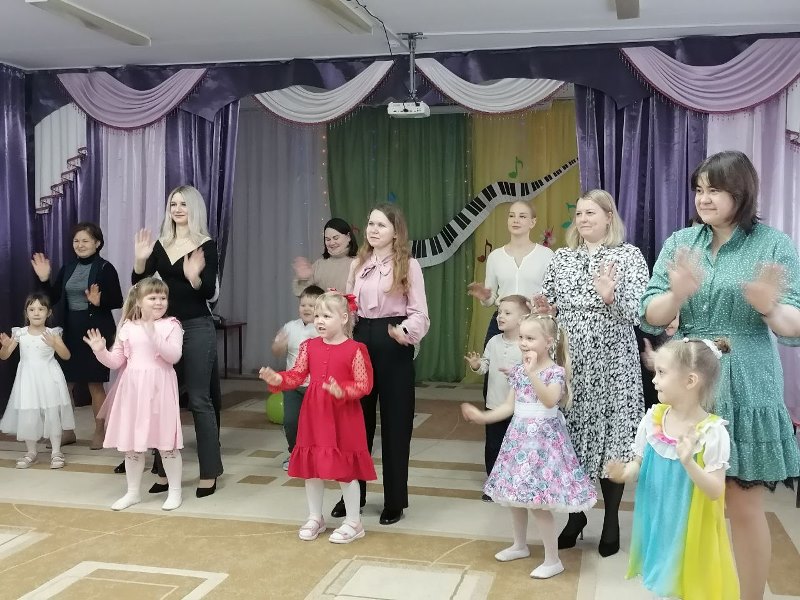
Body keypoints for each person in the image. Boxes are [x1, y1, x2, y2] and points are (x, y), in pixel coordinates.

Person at [640, 150, 800, 600]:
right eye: (699, 189)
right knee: (686, 500)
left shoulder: (773, 245)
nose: (703, 199)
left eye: (714, 190)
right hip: (690, 382)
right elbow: (650, 314)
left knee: (743, 505)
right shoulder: (681, 242)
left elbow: (794, 324)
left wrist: (769, 306)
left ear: (741, 193)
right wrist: (676, 295)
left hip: (747, 380)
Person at [532, 189, 649, 557]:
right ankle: (576, 515)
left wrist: (611, 297)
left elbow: (641, 313)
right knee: (573, 437)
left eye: (590, 213)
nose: (582, 219)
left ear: (609, 217)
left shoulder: (629, 256)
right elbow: (548, 304)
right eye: (579, 213)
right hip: (572, 363)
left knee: (613, 439)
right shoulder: (562, 257)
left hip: (615, 364)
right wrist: (544, 309)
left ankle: (611, 519)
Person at [461, 314, 596, 580]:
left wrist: (532, 373)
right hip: (519, 441)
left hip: (543, 444)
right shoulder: (519, 370)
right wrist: (483, 417)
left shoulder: (554, 372)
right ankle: (519, 545)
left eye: (530, 338)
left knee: (538, 504)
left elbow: (549, 400)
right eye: (521, 337)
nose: (523, 343)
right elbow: (509, 407)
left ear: (548, 342)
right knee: (516, 499)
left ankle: (553, 559)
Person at [607, 337, 738, 600]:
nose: (654, 380)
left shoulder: (712, 433)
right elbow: (639, 463)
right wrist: (625, 474)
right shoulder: (653, 420)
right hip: (660, 523)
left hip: (690, 528)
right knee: (664, 584)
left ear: (690, 381)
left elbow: (715, 491)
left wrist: (689, 462)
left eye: (662, 373)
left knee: (688, 585)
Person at [330, 203, 429, 525]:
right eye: (371, 224)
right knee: (356, 425)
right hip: (360, 343)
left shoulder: (409, 265)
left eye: (381, 225)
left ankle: (394, 500)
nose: (373, 230)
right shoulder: (358, 264)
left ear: (395, 231)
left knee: (396, 426)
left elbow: (420, 313)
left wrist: (405, 332)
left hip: (393, 343)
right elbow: (350, 308)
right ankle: (352, 495)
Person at [259, 291, 375, 543]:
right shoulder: (308, 346)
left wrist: (342, 390)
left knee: (345, 470)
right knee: (312, 469)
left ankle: (354, 522)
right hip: (315, 413)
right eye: (317, 315)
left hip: (344, 416)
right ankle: (315, 517)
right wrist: (278, 378)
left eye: (326, 316)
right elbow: (297, 375)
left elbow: (364, 384)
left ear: (344, 318)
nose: (319, 320)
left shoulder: (356, 349)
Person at [133, 184, 223, 498]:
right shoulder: (161, 244)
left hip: (197, 326)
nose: (178, 209)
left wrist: (194, 276)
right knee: (163, 399)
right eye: (173, 204)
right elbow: (140, 286)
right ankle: (162, 470)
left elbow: (208, 291)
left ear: (193, 208)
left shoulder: (205, 245)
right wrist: (140, 261)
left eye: (183, 204)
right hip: (165, 328)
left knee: (199, 399)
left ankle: (209, 472)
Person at [84, 278, 184, 512]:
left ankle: (175, 491)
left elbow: (174, 356)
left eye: (163, 298)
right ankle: (132, 492)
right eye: (152, 298)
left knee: (167, 444)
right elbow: (116, 361)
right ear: (139, 301)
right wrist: (100, 351)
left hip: (160, 391)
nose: (159, 302)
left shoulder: (172, 325)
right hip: (133, 391)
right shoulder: (128, 327)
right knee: (133, 445)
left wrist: (153, 334)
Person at [31, 223, 123, 449]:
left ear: (97, 243)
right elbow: (52, 298)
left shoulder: (105, 268)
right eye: (76, 241)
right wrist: (44, 279)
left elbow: (118, 300)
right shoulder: (68, 267)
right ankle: (67, 432)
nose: (80, 245)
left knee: (94, 384)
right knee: (65, 384)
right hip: (70, 331)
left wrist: (99, 301)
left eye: (85, 241)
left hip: (95, 333)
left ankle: (100, 431)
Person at [467, 201, 554, 399]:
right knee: (495, 377)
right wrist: (486, 297)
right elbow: (490, 299)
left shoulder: (547, 255)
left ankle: (528, 418)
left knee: (534, 378)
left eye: (522, 216)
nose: (516, 220)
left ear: (533, 222)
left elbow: (551, 295)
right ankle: (495, 416)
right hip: (502, 323)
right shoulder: (495, 256)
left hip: (534, 325)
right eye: (512, 215)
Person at [0, 293, 74, 469]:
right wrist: (4, 346)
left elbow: (66, 355)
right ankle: (31, 452)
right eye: (32, 309)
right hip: (27, 379)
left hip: (49, 377)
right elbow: (5, 356)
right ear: (26, 312)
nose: (36, 312)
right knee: (29, 414)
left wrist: (54, 344)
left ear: (48, 313)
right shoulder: (20, 333)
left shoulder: (53, 333)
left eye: (41, 309)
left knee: (52, 413)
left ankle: (56, 451)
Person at [464, 294, 527, 496]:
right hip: (494, 404)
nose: (500, 316)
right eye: (499, 312)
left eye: (507, 313)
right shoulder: (493, 342)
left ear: (522, 319)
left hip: (519, 408)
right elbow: (485, 366)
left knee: (517, 447)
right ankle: (493, 484)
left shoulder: (526, 345)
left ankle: (517, 484)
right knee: (493, 446)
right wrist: (477, 365)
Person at [272, 285, 324, 470]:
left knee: (318, 425)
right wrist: (279, 346)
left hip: (317, 387)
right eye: (303, 305)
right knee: (291, 422)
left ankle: (320, 456)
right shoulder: (290, 327)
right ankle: (295, 454)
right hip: (293, 386)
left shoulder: (324, 328)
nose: (306, 309)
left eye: (312, 305)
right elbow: (277, 351)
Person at [292, 218, 358, 296]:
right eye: (328, 239)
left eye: (336, 238)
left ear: (348, 237)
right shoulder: (318, 265)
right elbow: (303, 296)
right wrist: (303, 280)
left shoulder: (359, 263)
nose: (332, 243)